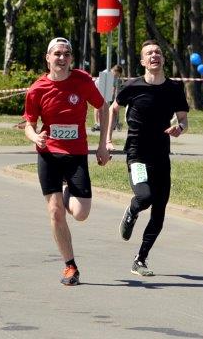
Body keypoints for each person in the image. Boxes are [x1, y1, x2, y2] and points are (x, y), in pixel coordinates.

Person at [24, 37, 110, 286]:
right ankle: (70, 266)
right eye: (57, 54)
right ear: (48, 58)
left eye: (67, 54)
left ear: (71, 58)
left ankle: (65, 193)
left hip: (76, 154)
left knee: (81, 214)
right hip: (49, 154)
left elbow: (103, 107)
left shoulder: (82, 80)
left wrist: (103, 144)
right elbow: (29, 125)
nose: (62, 58)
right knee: (55, 212)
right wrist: (36, 137)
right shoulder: (37, 89)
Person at [107, 39, 190, 277]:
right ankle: (132, 211)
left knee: (159, 212)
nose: (154, 55)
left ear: (162, 59)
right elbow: (113, 109)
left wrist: (179, 128)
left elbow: (183, 120)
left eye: (158, 52)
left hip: (161, 156)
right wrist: (108, 140)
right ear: (143, 61)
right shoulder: (133, 86)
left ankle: (140, 260)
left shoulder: (174, 88)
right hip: (137, 154)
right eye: (149, 53)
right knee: (144, 197)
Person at [92, 65, 123, 132]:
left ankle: (106, 123)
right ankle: (96, 123)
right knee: (98, 105)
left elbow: (113, 87)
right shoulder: (105, 73)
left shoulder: (114, 76)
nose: (117, 76)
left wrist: (113, 95)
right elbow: (100, 86)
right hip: (98, 87)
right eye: (117, 74)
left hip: (105, 88)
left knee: (106, 105)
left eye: (118, 75)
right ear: (115, 71)